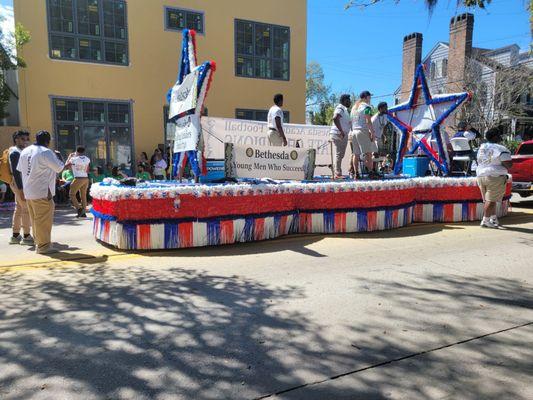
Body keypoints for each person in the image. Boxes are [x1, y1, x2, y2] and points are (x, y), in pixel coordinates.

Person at [17, 131, 64, 254]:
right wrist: (59, 156)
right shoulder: (45, 152)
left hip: (29, 191)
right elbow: (59, 167)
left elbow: (21, 171)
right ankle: (43, 246)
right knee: (43, 220)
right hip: (42, 191)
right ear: (48, 141)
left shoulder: (25, 151)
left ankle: (39, 243)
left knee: (35, 219)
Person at [476, 127, 513, 228]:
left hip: (481, 175)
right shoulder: (500, 148)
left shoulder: (482, 147)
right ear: (496, 136)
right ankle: (485, 220)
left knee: (488, 200)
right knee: (491, 200)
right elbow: (508, 164)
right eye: (499, 135)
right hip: (495, 176)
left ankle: (493, 219)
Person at [7, 130, 33, 245]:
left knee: (19, 209)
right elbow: (17, 173)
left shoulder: (17, 151)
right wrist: (21, 189)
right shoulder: (15, 153)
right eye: (23, 139)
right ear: (16, 139)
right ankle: (27, 236)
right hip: (19, 184)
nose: (26, 141)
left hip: (17, 183)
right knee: (26, 209)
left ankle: (15, 235)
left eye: (27, 139)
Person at [350, 91, 377, 177]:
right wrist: (372, 133)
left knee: (356, 154)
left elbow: (351, 121)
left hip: (354, 131)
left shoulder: (354, 107)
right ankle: (371, 172)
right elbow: (368, 121)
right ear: (366, 97)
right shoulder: (367, 107)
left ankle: (356, 174)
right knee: (368, 153)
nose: (370, 99)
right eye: (369, 97)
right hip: (362, 131)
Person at [329, 94, 352, 179]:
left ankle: (337, 172)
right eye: (348, 100)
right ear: (344, 100)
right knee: (339, 154)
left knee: (340, 154)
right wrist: (342, 131)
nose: (350, 102)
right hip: (339, 134)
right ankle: (337, 173)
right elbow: (335, 118)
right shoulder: (341, 108)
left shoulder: (344, 109)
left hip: (342, 134)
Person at [65, 146, 91, 218]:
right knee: (83, 195)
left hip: (78, 178)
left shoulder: (74, 159)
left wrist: (69, 157)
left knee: (71, 194)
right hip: (85, 178)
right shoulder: (87, 159)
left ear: (76, 151)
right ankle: (83, 212)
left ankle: (79, 209)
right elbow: (87, 170)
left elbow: (66, 166)